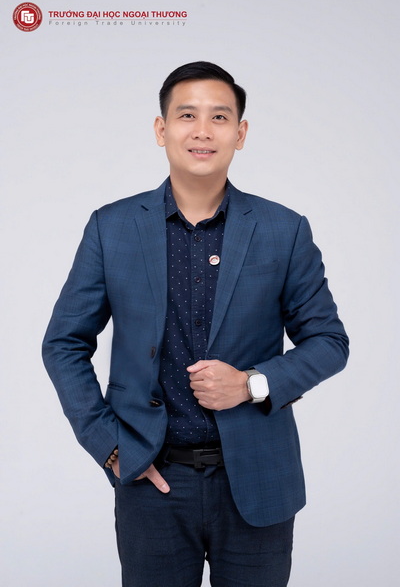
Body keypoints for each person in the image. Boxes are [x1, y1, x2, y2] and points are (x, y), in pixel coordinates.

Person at [42, 61, 349, 587]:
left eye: (219, 117)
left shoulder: (284, 230)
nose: (202, 131)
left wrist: (251, 384)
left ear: (240, 133)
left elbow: (329, 342)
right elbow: (64, 343)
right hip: (152, 482)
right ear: (161, 129)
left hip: (257, 478)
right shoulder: (112, 228)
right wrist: (111, 447)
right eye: (187, 115)